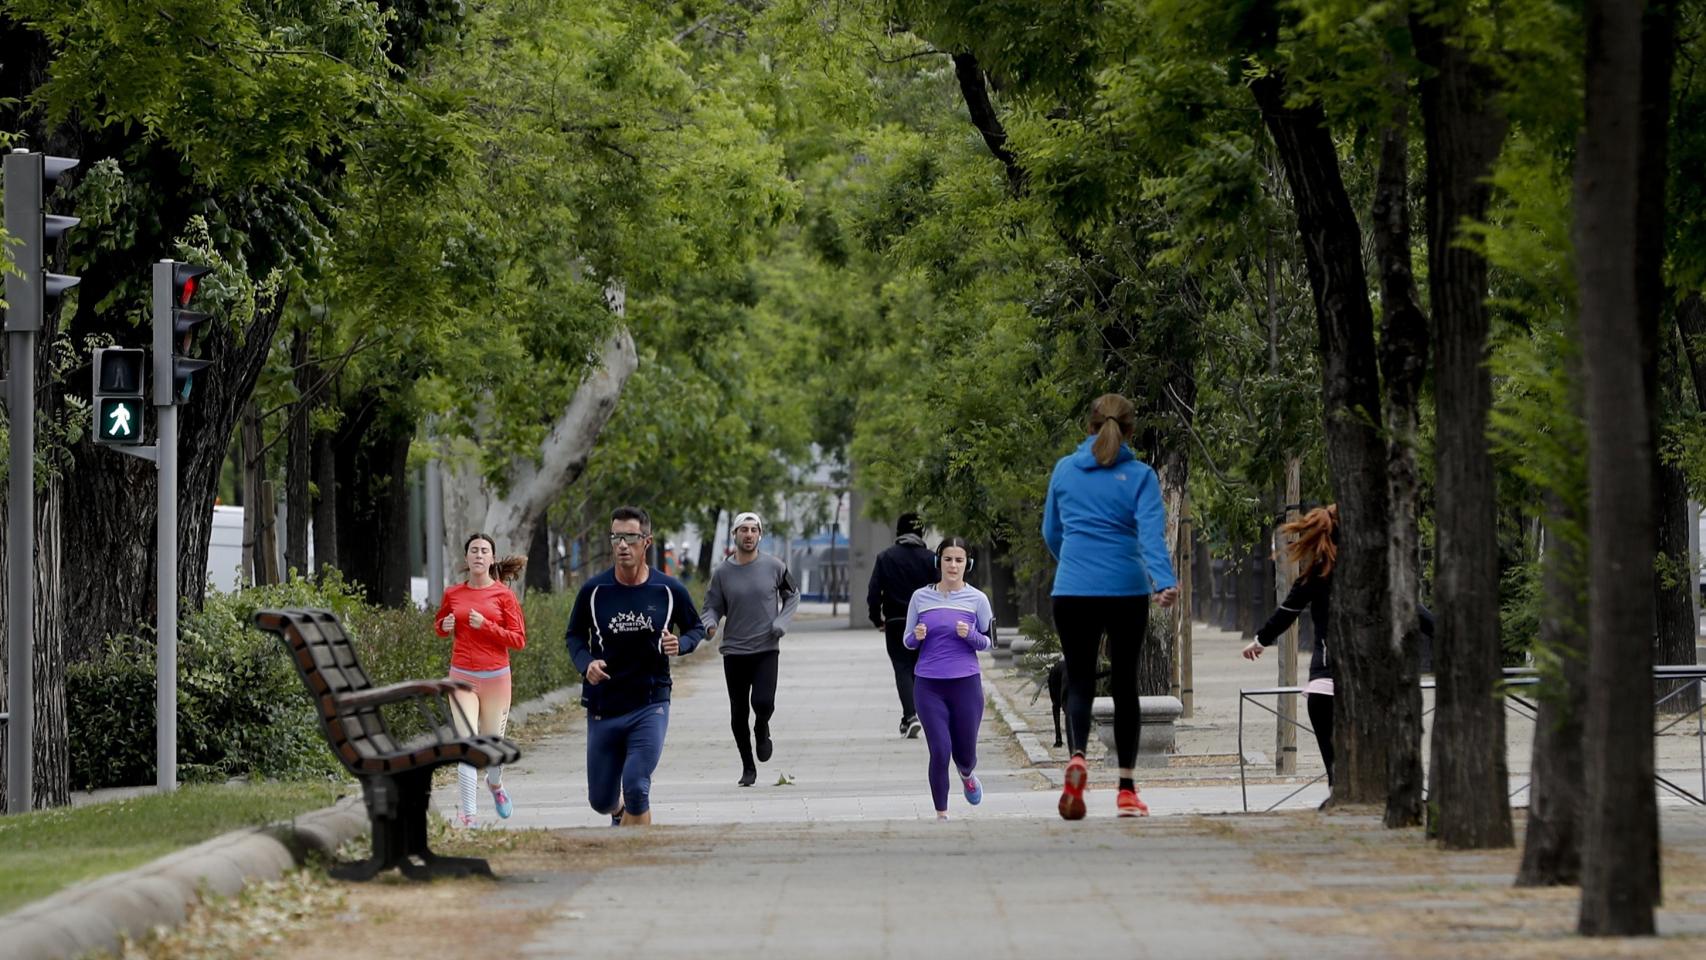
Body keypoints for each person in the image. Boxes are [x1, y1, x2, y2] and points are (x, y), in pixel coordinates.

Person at [1043, 393, 1179, 820]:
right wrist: (1164, 581)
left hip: (1072, 589)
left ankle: (1078, 757)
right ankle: (1125, 790)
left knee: (1080, 679)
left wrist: (1075, 563)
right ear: (1131, 431)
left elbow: (1051, 531)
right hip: (1125, 588)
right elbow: (1151, 536)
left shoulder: (1065, 470)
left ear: (1090, 426)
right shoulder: (1140, 476)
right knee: (1124, 687)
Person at [1242, 503, 1435, 786]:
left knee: (1339, 778)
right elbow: (1415, 611)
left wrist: (1260, 641)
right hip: (1368, 689)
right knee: (1378, 772)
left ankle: (1341, 797)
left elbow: (1287, 611)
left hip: (1324, 689)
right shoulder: (1374, 572)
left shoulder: (1316, 574)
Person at [565, 506, 706, 826]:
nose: (622, 544)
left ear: (647, 541)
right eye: (616, 536)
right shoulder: (594, 591)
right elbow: (574, 635)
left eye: (630, 536)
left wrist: (680, 645)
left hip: (650, 702)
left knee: (636, 787)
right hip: (604, 704)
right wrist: (585, 663)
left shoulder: (668, 590)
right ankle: (618, 816)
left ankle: (637, 865)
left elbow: (695, 628)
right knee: (600, 800)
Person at [434, 533, 529, 828]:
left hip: (496, 679)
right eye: (473, 550)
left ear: (491, 559)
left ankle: (496, 785)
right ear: (466, 559)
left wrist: (486, 626)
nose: (478, 555)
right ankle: (469, 816)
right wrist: (444, 625)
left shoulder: (504, 596)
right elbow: (440, 625)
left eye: (484, 550)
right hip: (461, 677)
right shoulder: (453, 594)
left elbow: (518, 640)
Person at [701, 511, 800, 786]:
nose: (748, 535)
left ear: (760, 535)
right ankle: (748, 766)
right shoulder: (722, 572)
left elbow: (793, 595)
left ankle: (762, 727)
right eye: (743, 530)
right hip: (734, 650)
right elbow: (711, 606)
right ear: (734, 535)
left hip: (767, 647)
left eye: (753, 530)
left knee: (763, 703)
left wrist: (782, 621)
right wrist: (709, 624)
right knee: (738, 711)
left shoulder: (775, 567)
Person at [904, 537, 994, 820]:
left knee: (964, 754)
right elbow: (907, 640)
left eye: (959, 559)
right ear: (938, 562)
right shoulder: (921, 597)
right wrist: (915, 637)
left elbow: (990, 642)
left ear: (968, 563)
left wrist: (970, 635)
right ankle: (941, 815)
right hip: (928, 685)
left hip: (965, 684)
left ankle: (967, 775)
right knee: (940, 750)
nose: (953, 565)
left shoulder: (978, 599)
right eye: (947, 559)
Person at [867, 513, 937, 738]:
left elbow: (873, 593)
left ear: (898, 532)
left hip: (896, 621)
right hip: (926, 622)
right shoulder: (930, 558)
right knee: (920, 669)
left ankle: (911, 715)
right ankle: (917, 715)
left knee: (902, 667)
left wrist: (877, 619)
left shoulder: (885, 557)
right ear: (921, 532)